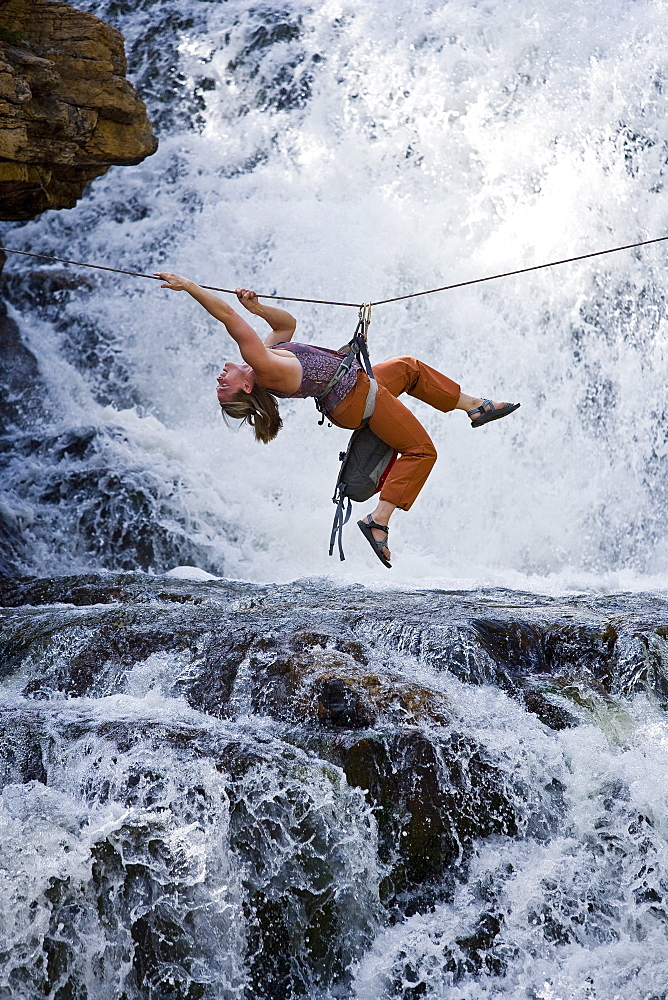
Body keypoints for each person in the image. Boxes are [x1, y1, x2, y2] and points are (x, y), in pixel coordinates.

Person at [156, 272, 520, 568]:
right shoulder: (264, 366)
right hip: (354, 399)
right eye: (225, 388)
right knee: (422, 451)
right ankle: (379, 519)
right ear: (248, 386)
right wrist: (190, 287)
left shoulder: (264, 356)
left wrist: (257, 307)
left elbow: (287, 325)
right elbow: (228, 318)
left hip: (355, 383)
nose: (220, 380)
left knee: (409, 368)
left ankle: (474, 406)